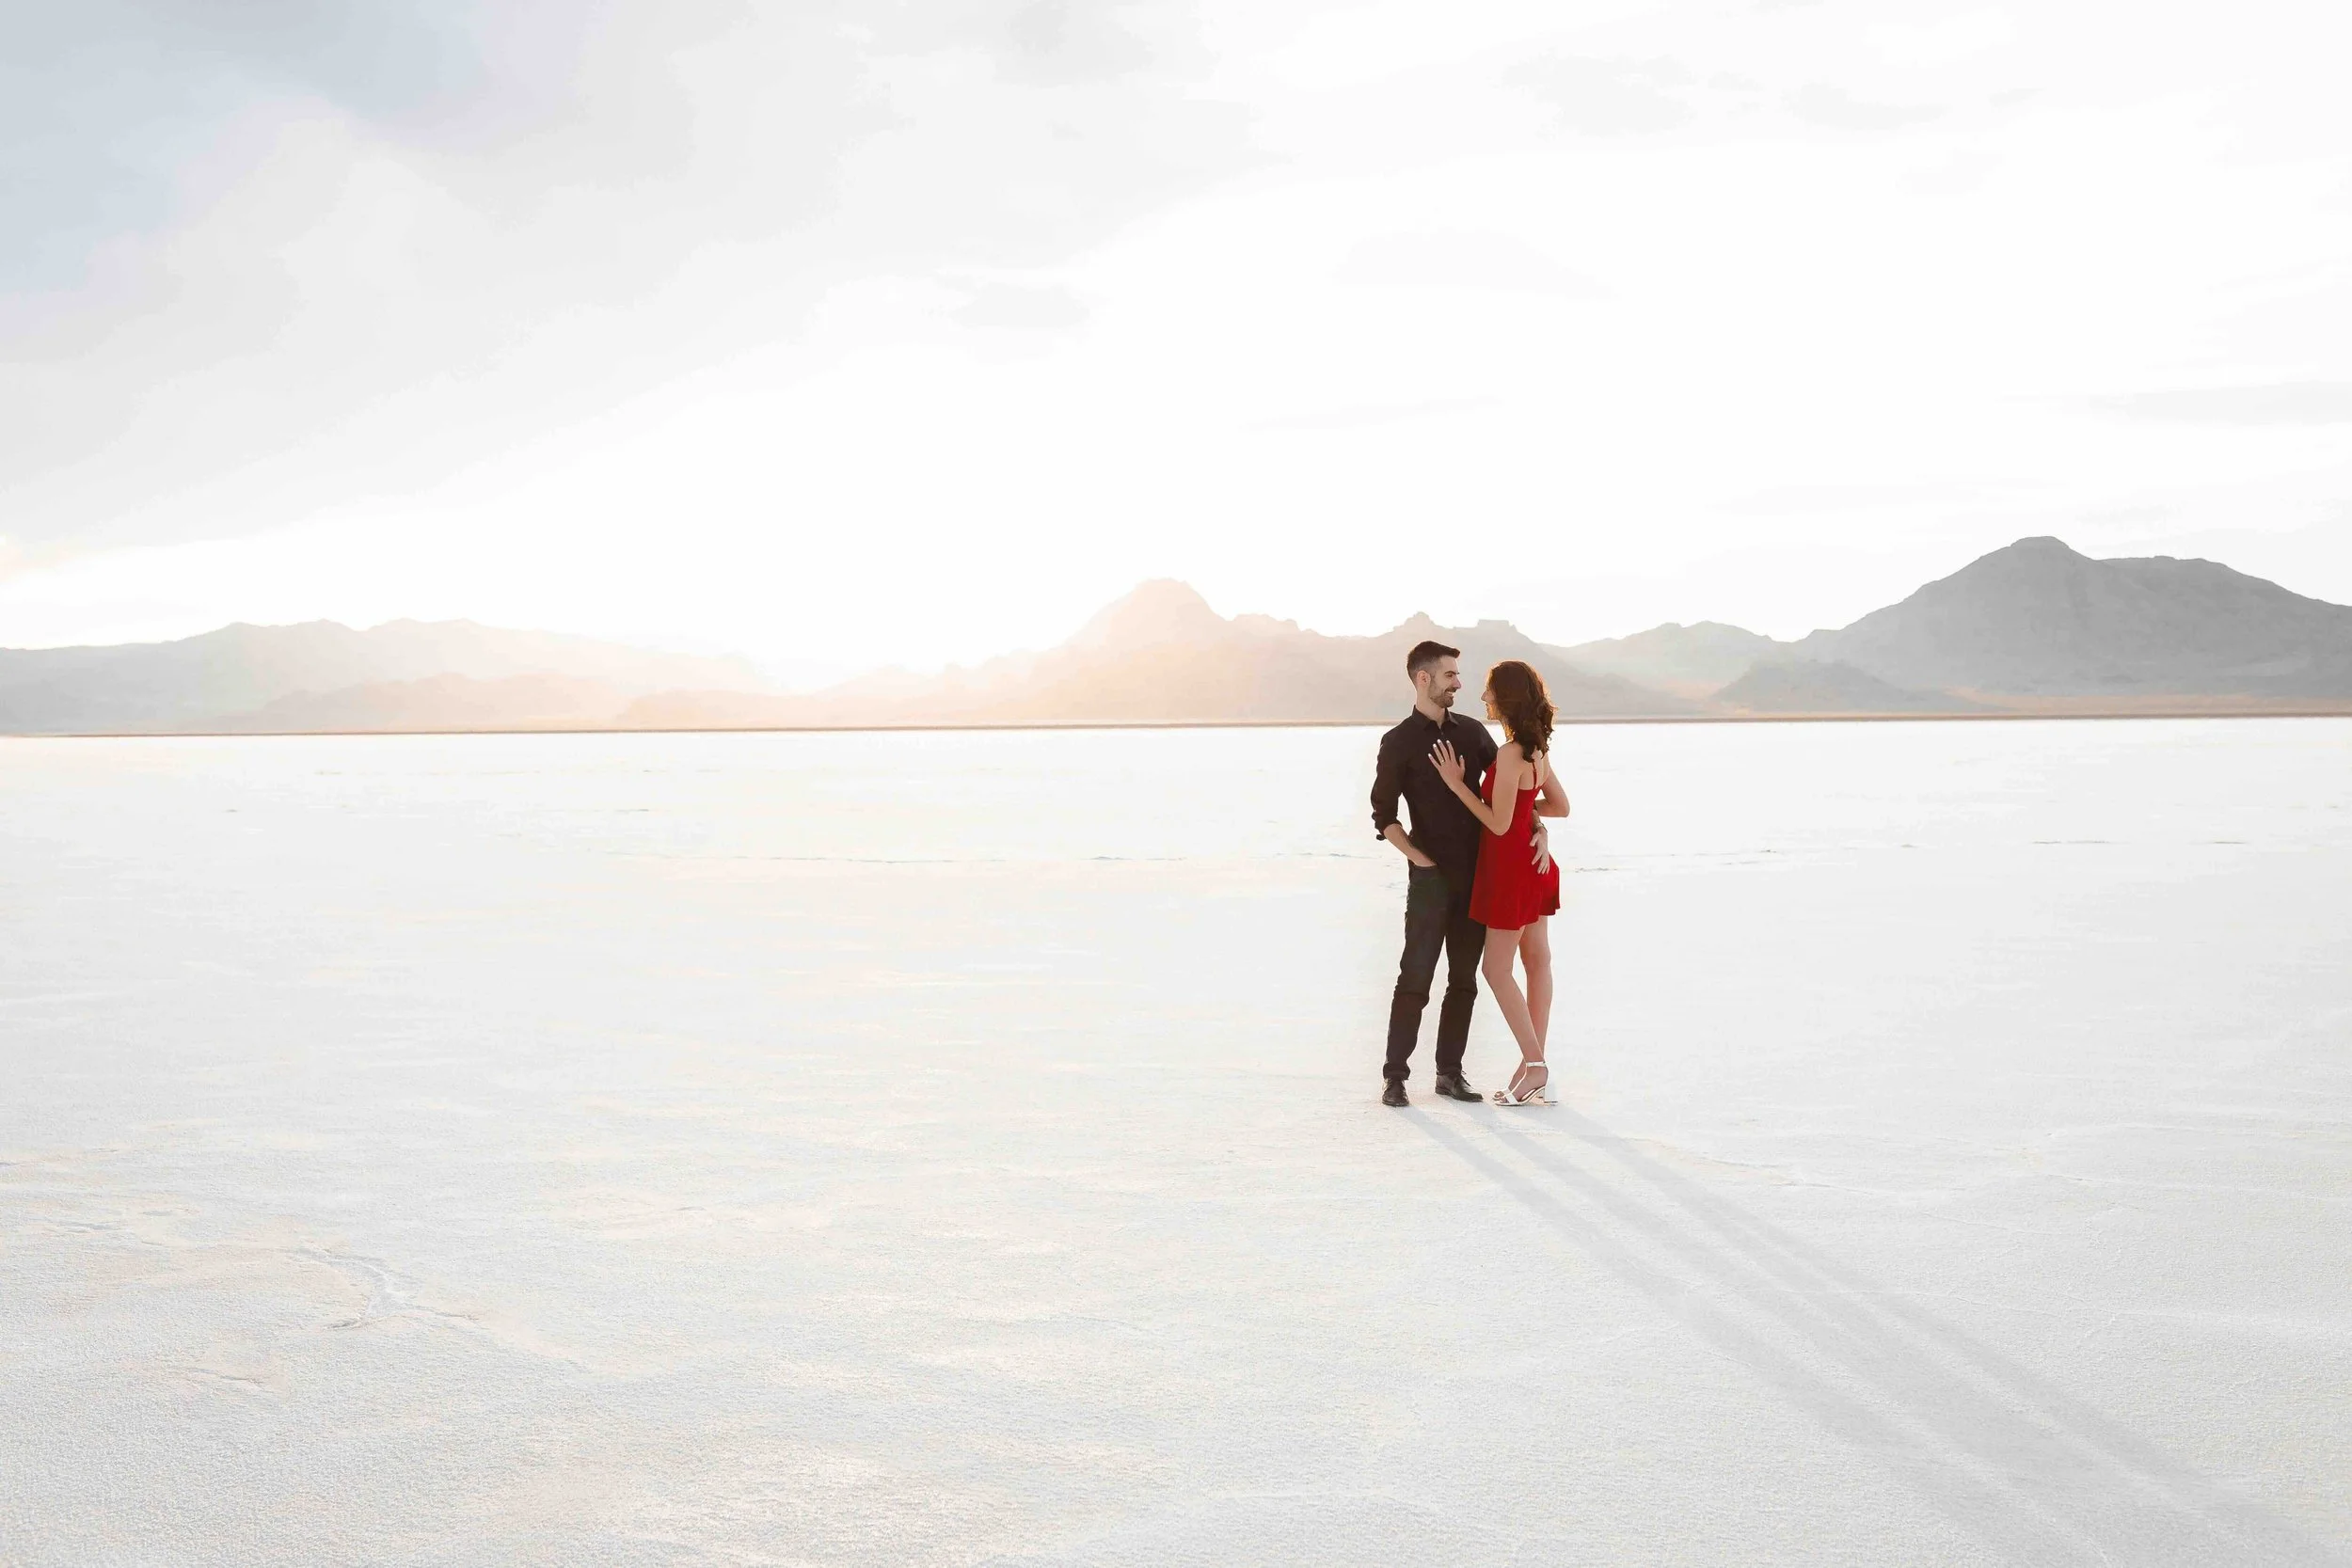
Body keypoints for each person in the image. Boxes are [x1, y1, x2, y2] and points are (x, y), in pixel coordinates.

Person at [1369, 641, 1551, 1107]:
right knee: (1415, 977)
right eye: (1450, 675)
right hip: (1430, 881)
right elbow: (1384, 815)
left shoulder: (1472, 734)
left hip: (1479, 878)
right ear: (1423, 678)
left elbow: (1514, 793)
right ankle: (1395, 1076)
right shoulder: (1397, 742)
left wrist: (1540, 828)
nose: (1459, 683)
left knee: (1465, 980)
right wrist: (1417, 857)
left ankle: (1450, 1073)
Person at [1431, 660, 1569, 1105]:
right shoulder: (1537, 751)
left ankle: (1535, 1064)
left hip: (1510, 870)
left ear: (1505, 697)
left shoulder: (1512, 754)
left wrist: (1456, 785)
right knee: (1537, 963)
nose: (1483, 698)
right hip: (1534, 866)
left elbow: (1496, 822)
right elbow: (1558, 807)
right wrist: (1536, 822)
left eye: (1489, 691)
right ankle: (1533, 1065)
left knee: (1495, 969)